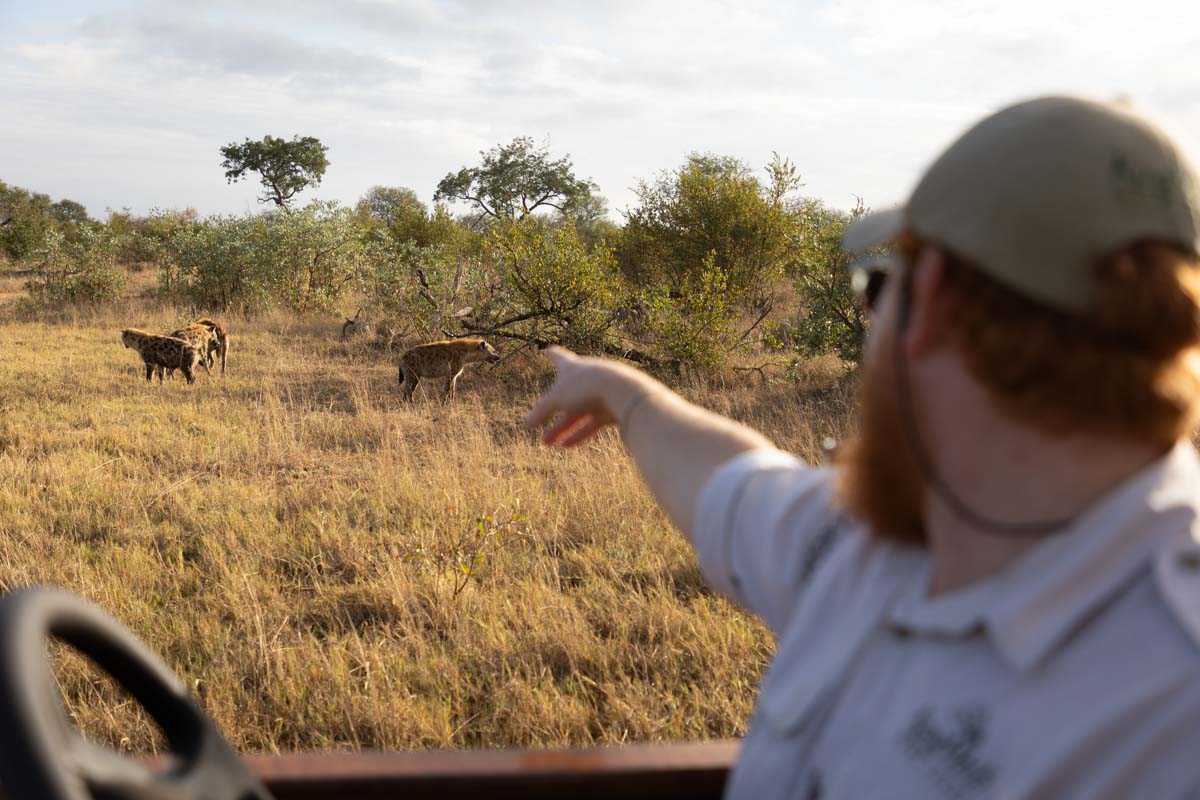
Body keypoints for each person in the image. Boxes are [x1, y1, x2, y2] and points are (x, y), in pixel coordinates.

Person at [526, 96, 1200, 799]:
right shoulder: (886, 536)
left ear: (929, 300)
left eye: (876, 289)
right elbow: (733, 484)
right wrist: (627, 397)